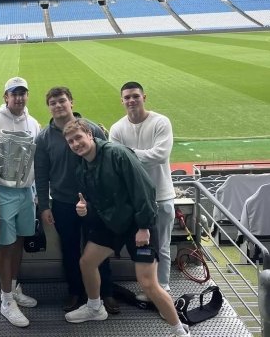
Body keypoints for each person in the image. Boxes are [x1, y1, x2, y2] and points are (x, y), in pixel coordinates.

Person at [62, 119, 190, 337]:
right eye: (71, 141)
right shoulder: (82, 167)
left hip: (137, 225)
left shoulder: (118, 154)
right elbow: (96, 203)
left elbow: (145, 189)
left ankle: (180, 330)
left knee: (148, 283)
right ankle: (95, 307)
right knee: (87, 262)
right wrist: (86, 210)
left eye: (78, 138)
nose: (76, 144)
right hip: (110, 223)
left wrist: (144, 227)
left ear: (90, 135)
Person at [33, 86, 118, 313]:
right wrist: (44, 206)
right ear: (49, 107)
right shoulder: (43, 137)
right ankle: (75, 292)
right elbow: (41, 175)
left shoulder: (91, 129)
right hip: (62, 203)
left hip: (94, 202)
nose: (58, 106)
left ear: (71, 102)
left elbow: (107, 163)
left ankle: (106, 292)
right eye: (53, 103)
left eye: (62, 101)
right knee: (70, 249)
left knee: (98, 248)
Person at [0, 77, 40, 327]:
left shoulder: (33, 122)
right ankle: (5, 301)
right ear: (5, 97)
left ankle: (13, 288)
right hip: (2, 191)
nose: (19, 98)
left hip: (26, 191)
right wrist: (6, 153)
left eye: (23, 93)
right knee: (6, 245)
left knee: (20, 242)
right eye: (14, 94)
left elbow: (37, 156)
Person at [109, 81, 175, 301]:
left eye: (135, 96)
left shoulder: (160, 122)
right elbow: (115, 163)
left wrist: (127, 154)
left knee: (162, 247)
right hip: (134, 201)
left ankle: (163, 290)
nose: (131, 101)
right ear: (121, 101)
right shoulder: (117, 128)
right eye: (127, 97)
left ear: (144, 97)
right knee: (144, 249)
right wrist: (130, 157)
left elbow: (161, 155)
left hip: (162, 195)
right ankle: (151, 289)